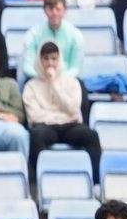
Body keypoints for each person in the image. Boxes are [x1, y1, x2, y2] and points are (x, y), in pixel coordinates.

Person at [25, 43, 101, 183]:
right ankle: (43, 183)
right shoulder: (31, 86)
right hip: (47, 127)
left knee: (91, 135)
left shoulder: (72, 82)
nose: (50, 63)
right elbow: (34, 116)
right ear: (40, 60)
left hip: (69, 127)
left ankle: (95, 183)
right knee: (36, 135)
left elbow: (73, 108)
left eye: (54, 59)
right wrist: (60, 117)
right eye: (46, 59)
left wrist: (54, 85)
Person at [23, 0, 83, 80]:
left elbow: (76, 69)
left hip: (66, 80)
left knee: (80, 85)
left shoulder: (75, 35)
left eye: (58, 9)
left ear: (64, 10)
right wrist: (44, 77)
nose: (54, 13)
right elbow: (27, 67)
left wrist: (58, 78)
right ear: (44, 10)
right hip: (40, 80)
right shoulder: (33, 35)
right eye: (51, 9)